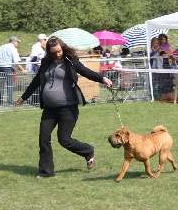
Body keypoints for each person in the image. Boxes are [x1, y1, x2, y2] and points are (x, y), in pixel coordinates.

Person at [15, 36, 113, 179]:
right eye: (54, 52)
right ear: (49, 51)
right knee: (43, 138)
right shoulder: (46, 62)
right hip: (49, 108)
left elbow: (86, 72)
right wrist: (24, 97)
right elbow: (37, 81)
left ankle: (88, 151)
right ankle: (46, 171)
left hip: (68, 108)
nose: (57, 54)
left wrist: (102, 78)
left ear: (62, 47)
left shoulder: (70, 60)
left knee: (64, 139)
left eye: (59, 51)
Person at [0, 36, 28, 106]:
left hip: (0, 67)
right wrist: (23, 70)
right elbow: (16, 62)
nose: (17, 44)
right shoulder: (13, 49)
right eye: (17, 42)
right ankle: (10, 102)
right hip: (8, 68)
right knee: (10, 85)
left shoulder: (2, 46)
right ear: (14, 41)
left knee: (1, 85)